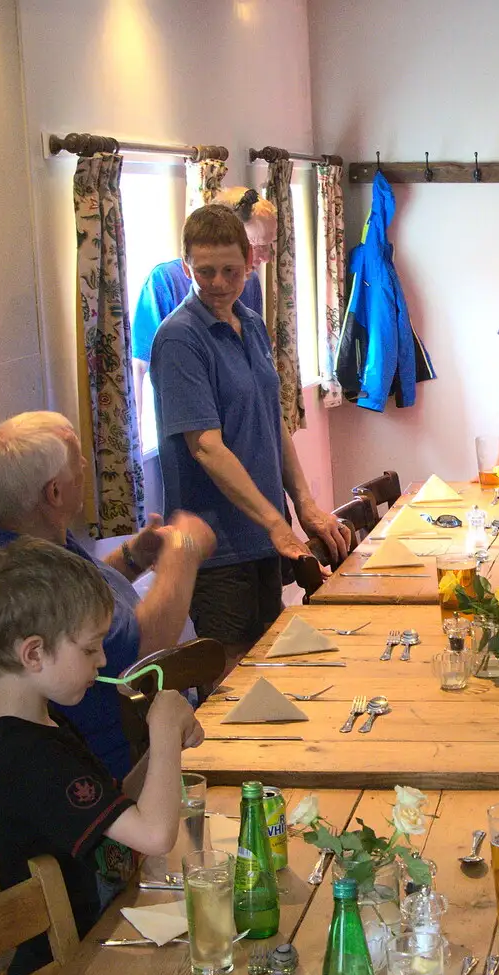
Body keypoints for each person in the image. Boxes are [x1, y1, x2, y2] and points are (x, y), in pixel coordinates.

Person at [0, 537, 204, 975]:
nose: (104, 660)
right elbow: (153, 835)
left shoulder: (45, 724)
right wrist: (165, 733)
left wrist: (159, 754)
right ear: (33, 653)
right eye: (91, 648)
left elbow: (118, 812)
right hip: (68, 974)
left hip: (103, 934)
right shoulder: (24, 755)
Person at [150, 203, 349, 654]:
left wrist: (304, 503)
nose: (218, 284)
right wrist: (276, 523)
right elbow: (205, 448)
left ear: (250, 264)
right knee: (232, 693)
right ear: (186, 268)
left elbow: (270, 417)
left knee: (274, 670)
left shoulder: (252, 323)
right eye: (204, 272)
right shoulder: (180, 338)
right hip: (216, 548)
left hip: (259, 538)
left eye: (230, 271)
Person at [0, 410, 215, 781]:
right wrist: (183, 554)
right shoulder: (31, 577)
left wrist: (134, 557)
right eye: (77, 463)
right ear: (54, 492)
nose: (87, 465)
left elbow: (89, 598)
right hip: (124, 772)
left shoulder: (29, 535)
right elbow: (143, 652)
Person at [130, 186, 273, 392]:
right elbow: (140, 367)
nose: (265, 257)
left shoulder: (251, 297)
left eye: (270, 245)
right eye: (258, 246)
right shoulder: (164, 283)